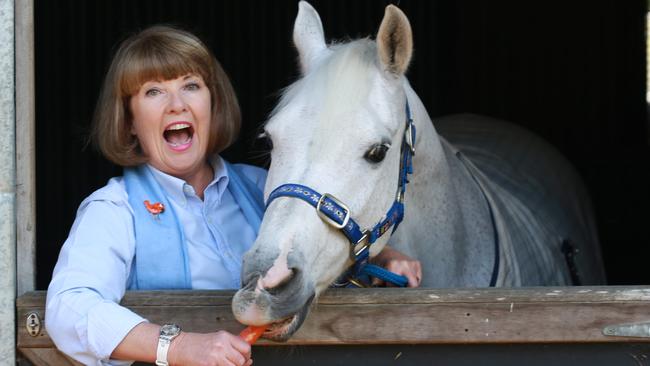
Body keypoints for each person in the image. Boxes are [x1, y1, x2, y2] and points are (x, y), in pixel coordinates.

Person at [45, 25, 422, 366]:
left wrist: (380, 253)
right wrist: (177, 347)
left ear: (213, 103)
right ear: (129, 120)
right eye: (154, 91)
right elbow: (68, 308)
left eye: (190, 85)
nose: (177, 104)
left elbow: (324, 226)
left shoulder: (266, 189)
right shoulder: (114, 209)